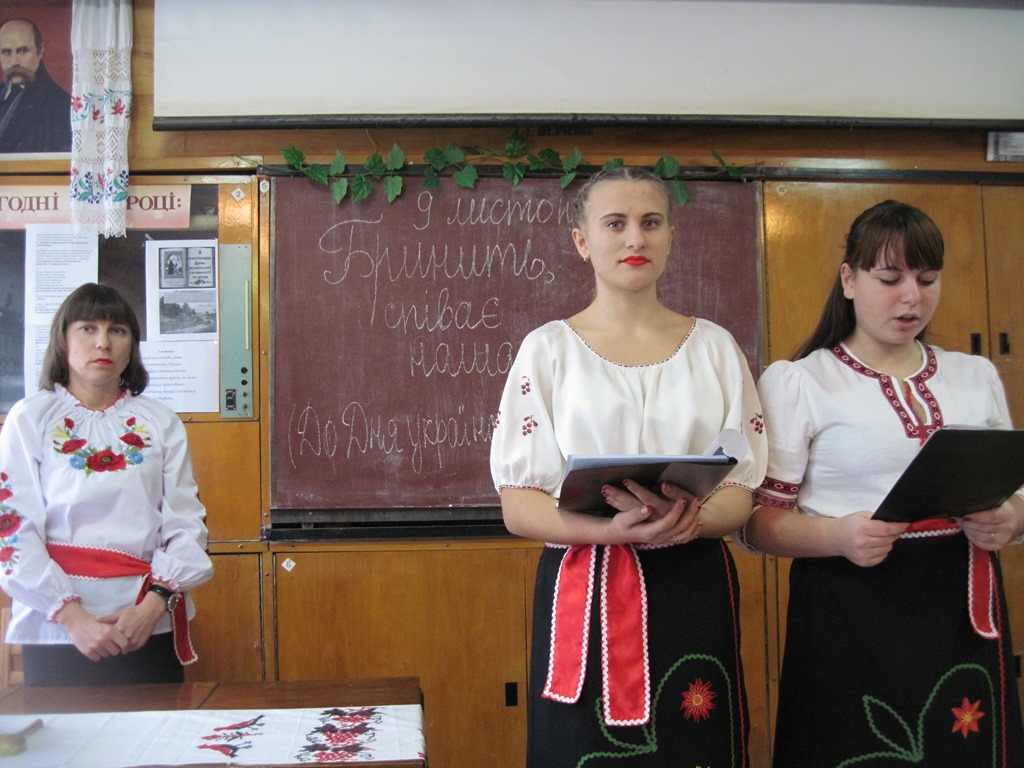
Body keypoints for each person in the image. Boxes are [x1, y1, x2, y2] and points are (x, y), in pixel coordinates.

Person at [489, 167, 767, 767]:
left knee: (694, 743)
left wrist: (690, 519)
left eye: (651, 222)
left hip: (691, 579)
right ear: (582, 241)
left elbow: (743, 486)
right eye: (615, 224)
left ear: (671, 236)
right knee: (582, 746)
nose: (635, 238)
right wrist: (609, 531)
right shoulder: (548, 349)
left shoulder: (715, 347)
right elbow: (519, 503)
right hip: (585, 582)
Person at [741, 200, 1024, 767]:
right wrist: (837, 536)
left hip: (960, 607)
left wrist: (1012, 518)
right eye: (890, 279)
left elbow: (1013, 487)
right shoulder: (801, 381)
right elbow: (756, 524)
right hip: (850, 607)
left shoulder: (975, 375)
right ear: (849, 280)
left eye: (927, 279)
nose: (911, 297)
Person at [0, 283, 213, 685]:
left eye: (118, 330)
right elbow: (11, 527)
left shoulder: (159, 422)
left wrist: (154, 604)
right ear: (63, 339)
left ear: (132, 344)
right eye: (88, 328)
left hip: (144, 620)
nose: (103, 342)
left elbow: (187, 523)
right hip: (57, 625)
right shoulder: (30, 419)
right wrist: (71, 616)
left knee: (156, 725)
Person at [0, 18, 71, 153]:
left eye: (22, 51)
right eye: (6, 52)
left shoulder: (60, 104)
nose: (14, 61)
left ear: (40, 51)